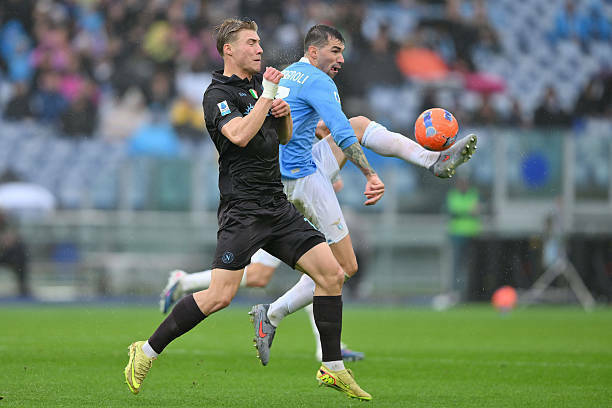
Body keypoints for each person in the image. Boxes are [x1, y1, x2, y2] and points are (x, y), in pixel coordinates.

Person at [161, 24, 477, 365]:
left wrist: (327, 161)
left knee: (358, 128)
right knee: (340, 266)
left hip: (286, 174)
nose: (341, 59)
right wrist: (369, 174)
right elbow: (337, 132)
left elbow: (294, 124)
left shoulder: (289, 74)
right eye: (335, 51)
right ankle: (273, 315)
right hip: (296, 181)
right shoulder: (316, 81)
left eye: (342, 52)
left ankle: (432, 160)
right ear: (313, 52)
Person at [124, 18, 373, 401]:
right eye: (251, 43)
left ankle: (332, 367)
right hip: (242, 211)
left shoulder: (259, 86)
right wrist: (268, 97)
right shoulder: (217, 94)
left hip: (276, 204)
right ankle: (145, 351)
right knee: (219, 296)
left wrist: (284, 116)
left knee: (332, 274)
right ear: (229, 50)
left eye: (259, 42)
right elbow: (239, 135)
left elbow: (283, 138)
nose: (259, 49)